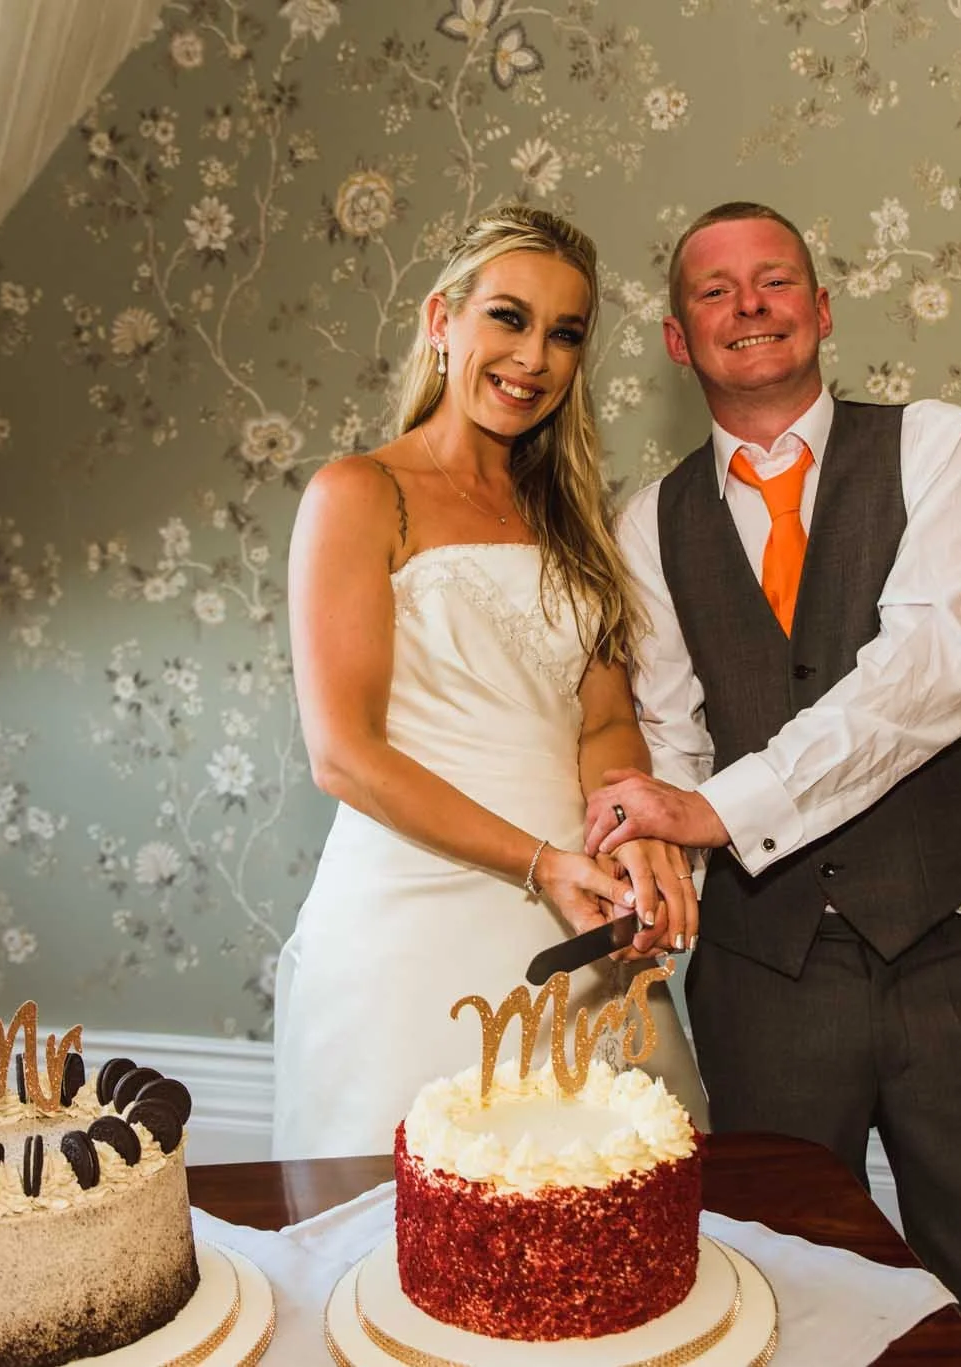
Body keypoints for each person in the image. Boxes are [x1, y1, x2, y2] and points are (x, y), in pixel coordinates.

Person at [583, 202, 961, 1365]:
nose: (747, 304)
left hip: (946, 952)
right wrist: (658, 865)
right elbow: (671, 734)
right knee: (779, 1292)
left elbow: (927, 671)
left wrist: (714, 811)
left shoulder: (931, 444)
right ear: (674, 337)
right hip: (762, 975)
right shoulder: (647, 522)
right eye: (714, 290)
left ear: (820, 309)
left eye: (773, 280)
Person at [273, 206, 709, 1160]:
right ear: (442, 320)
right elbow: (343, 754)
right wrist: (538, 863)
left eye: (565, 333)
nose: (534, 357)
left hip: (577, 919)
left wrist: (631, 845)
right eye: (508, 317)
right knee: (416, 1236)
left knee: (612, 1210)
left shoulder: (574, 521)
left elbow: (603, 728)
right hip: (413, 926)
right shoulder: (359, 493)